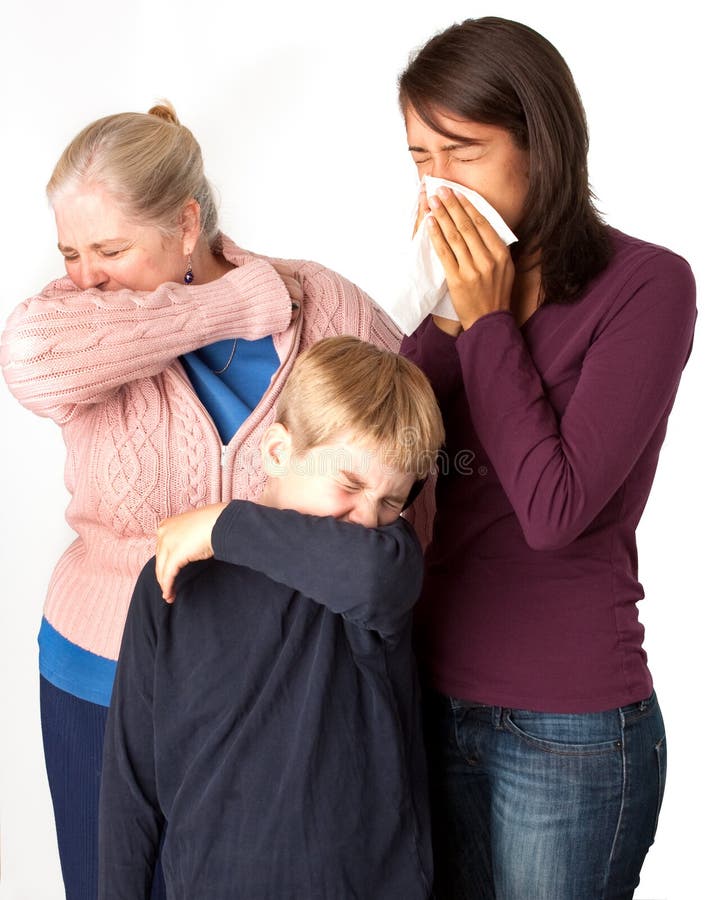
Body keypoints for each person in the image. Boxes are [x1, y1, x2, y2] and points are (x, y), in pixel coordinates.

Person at [0, 104, 399, 900]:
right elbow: (31, 366)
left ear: (186, 223)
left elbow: (404, 488)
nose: (86, 276)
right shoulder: (74, 322)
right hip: (99, 670)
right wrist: (230, 305)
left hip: (270, 696)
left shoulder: (324, 307)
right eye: (71, 252)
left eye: (110, 249)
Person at [396, 16, 697, 900]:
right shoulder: (450, 295)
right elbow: (394, 466)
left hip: (565, 729)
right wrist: (442, 319)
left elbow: (553, 510)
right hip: (424, 693)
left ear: (542, 144)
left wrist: (488, 322)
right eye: (420, 158)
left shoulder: (648, 285)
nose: (438, 186)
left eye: (463, 152)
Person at [97, 336, 443, 899]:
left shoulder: (384, 564)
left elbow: (371, 575)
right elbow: (131, 777)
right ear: (278, 453)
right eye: (350, 485)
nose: (367, 518)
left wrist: (222, 525)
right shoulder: (176, 581)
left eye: (390, 502)